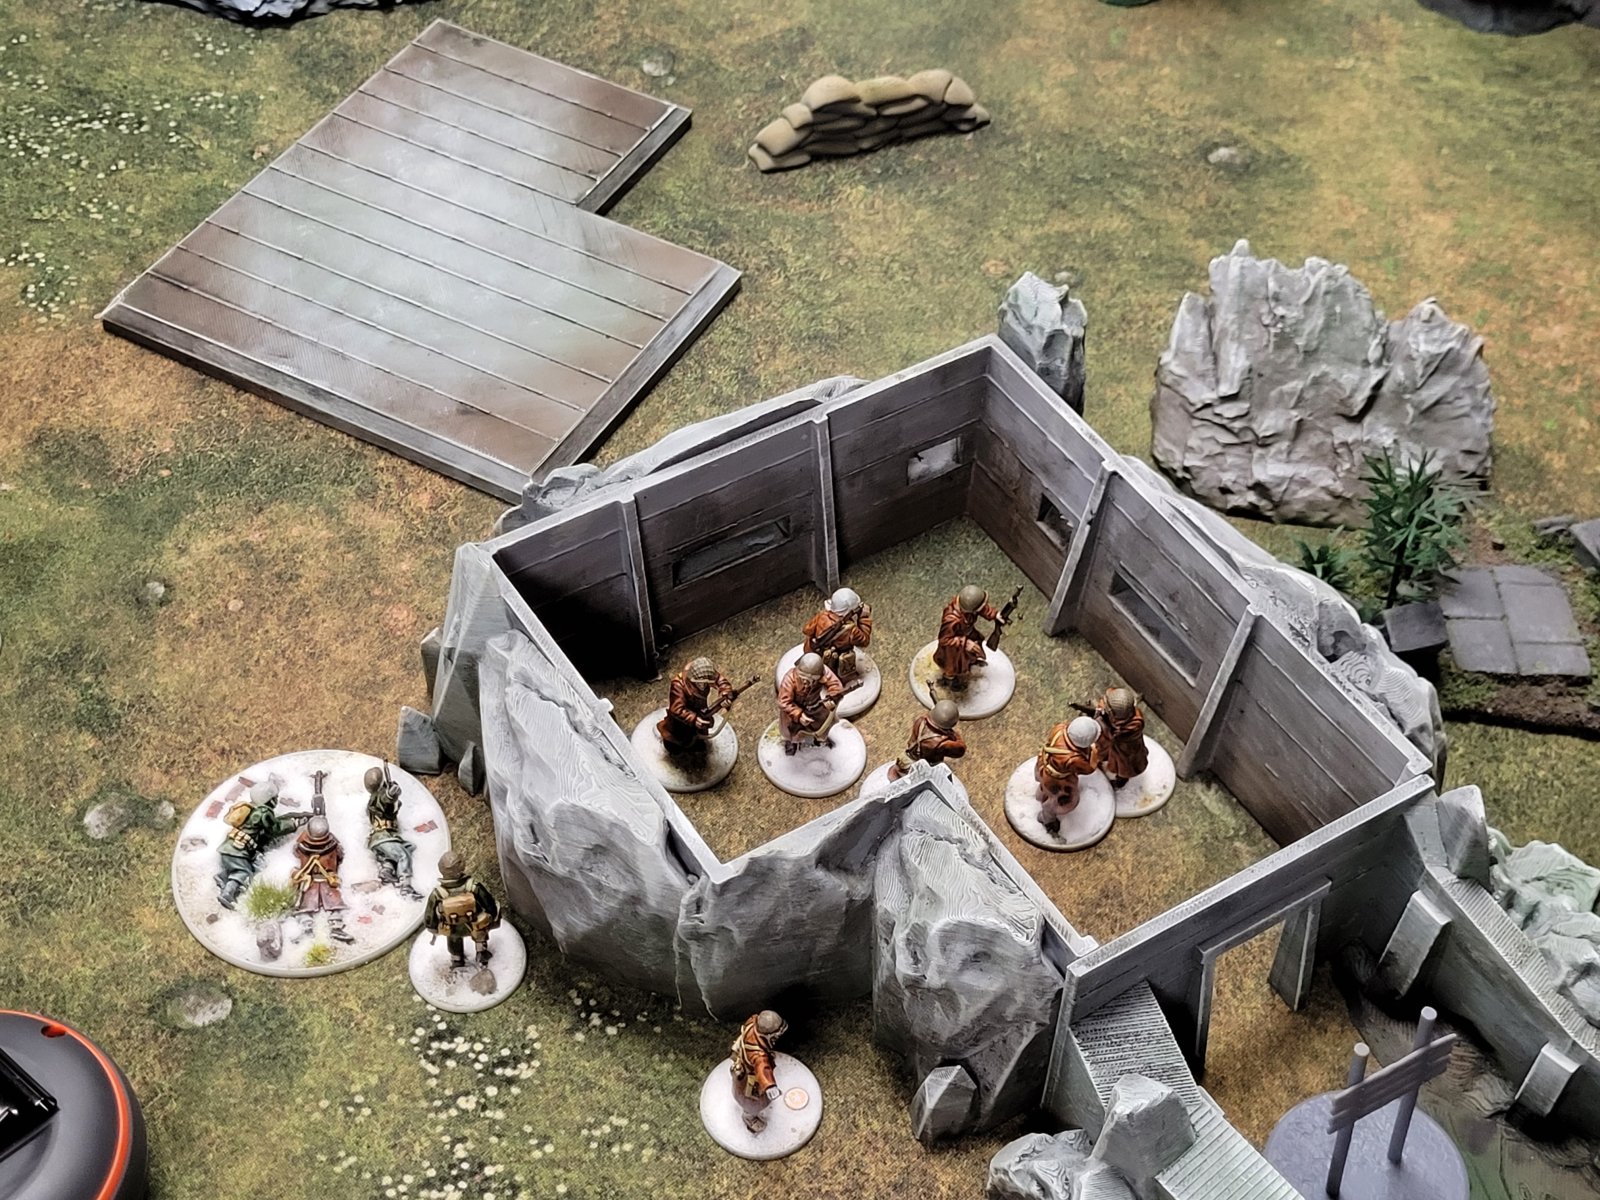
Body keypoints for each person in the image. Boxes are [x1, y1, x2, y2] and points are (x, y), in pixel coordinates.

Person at [215, 780, 303, 909]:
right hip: (238, 850)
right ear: (268, 800)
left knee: (242, 866)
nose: (276, 800)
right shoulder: (264, 812)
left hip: (229, 846)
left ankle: (223, 876)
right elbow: (274, 829)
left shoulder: (252, 809)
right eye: (274, 798)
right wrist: (293, 824)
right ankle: (227, 894)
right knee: (243, 872)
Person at [425, 850, 501, 968]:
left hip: (453, 928)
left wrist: (432, 927)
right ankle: (481, 953)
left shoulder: (437, 893)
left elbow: (429, 915)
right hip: (474, 923)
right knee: (480, 935)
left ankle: (457, 959)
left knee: (454, 941)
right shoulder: (473, 886)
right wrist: (492, 914)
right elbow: (488, 902)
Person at [289, 816, 355, 944]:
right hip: (314, 881)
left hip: (321, 881)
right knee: (309, 907)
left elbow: (296, 853)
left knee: (331, 905)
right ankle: (309, 929)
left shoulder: (301, 847)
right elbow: (340, 857)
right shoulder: (333, 846)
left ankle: (333, 928)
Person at [657, 657, 736, 759]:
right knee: (678, 736)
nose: (703, 685)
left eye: (706, 682)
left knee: (700, 734)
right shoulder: (678, 684)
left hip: (700, 709)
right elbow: (676, 709)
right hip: (682, 717)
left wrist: (725, 694)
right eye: (701, 682)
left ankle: (696, 744)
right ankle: (674, 747)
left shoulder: (704, 672)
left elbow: (719, 680)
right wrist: (694, 719)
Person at [1036, 716, 1102, 834]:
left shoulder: (1059, 729)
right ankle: (1048, 819)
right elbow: (1089, 769)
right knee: (1057, 802)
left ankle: (1040, 795)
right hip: (1058, 782)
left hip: (1043, 766)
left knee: (1043, 787)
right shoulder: (1074, 759)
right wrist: (1094, 754)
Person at [364, 764, 419, 899]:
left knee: (409, 847)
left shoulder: (377, 796)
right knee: (403, 855)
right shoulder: (376, 798)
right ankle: (405, 885)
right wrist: (390, 794)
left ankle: (387, 869)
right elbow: (384, 800)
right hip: (382, 838)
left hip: (388, 837)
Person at [933, 585, 1002, 688]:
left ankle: (971, 662)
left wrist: (995, 615)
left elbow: (982, 608)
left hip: (967, 634)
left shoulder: (969, 606)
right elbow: (944, 640)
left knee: (975, 646)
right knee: (952, 664)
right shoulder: (951, 619)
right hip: (952, 647)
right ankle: (949, 679)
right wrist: (965, 643)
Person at [776, 652, 845, 755]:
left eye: (811, 679)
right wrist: (798, 715)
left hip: (814, 705)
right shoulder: (790, 678)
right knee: (791, 730)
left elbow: (836, 686)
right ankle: (791, 743)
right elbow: (783, 701)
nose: (806, 682)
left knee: (823, 724)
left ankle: (820, 739)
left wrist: (831, 699)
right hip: (793, 709)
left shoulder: (823, 671)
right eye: (803, 678)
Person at [730, 1010, 788, 1133]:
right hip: (751, 1077)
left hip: (742, 1062)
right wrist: (769, 1086)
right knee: (753, 1102)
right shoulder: (758, 1054)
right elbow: (762, 1067)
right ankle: (749, 1118)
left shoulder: (752, 1021)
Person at [801, 587, 872, 684]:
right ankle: (843, 677)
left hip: (813, 652)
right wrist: (864, 618)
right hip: (832, 662)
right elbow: (865, 641)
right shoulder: (851, 630)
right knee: (847, 656)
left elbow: (806, 630)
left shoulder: (822, 616)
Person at [888, 700, 965, 781]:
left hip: (908, 756)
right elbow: (961, 750)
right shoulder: (942, 743)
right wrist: (954, 734)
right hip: (922, 766)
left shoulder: (920, 720)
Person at [1092, 687, 1147, 788]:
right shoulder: (1113, 701)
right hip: (1111, 743)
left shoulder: (1134, 725)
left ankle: (1121, 780)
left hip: (1125, 750)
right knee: (1103, 751)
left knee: (1125, 767)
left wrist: (1108, 725)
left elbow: (1115, 735)